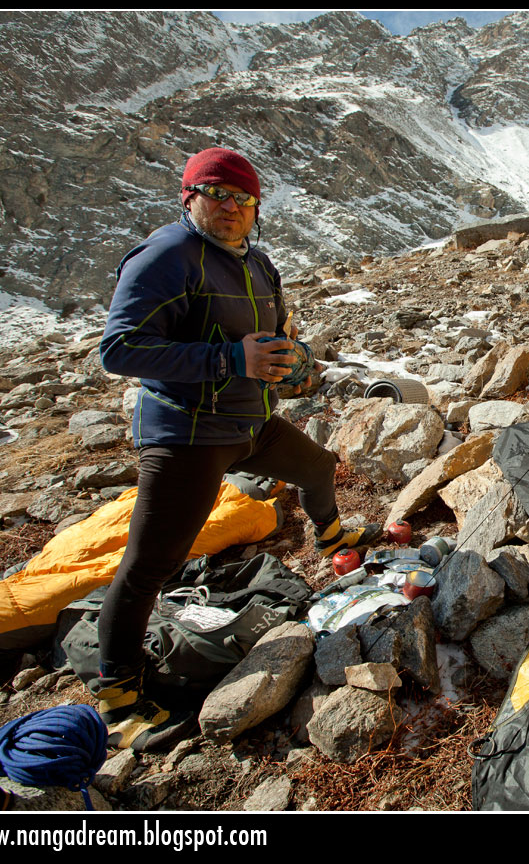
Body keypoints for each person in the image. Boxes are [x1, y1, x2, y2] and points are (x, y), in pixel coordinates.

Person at [93, 147, 380, 751]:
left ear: (256, 209)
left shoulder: (258, 263)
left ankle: (329, 537)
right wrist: (230, 359)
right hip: (186, 434)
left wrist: (292, 364)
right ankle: (118, 693)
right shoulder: (167, 255)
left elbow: (271, 338)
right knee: (152, 562)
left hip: (248, 423)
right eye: (216, 194)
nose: (230, 208)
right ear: (188, 196)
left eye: (243, 199)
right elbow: (119, 349)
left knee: (318, 466)